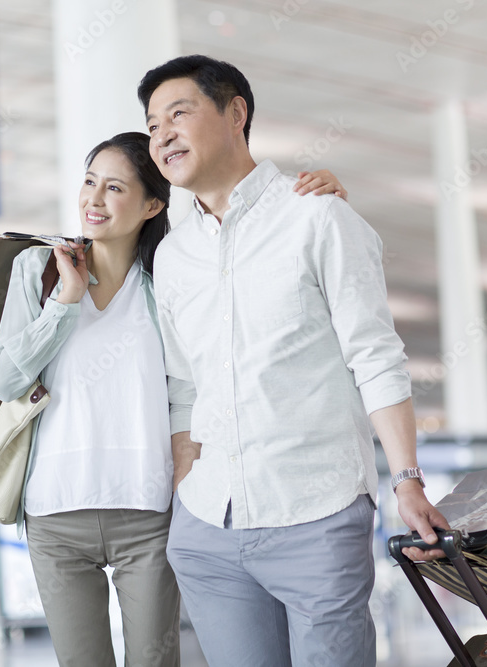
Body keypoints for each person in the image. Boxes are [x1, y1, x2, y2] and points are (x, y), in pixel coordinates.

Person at [0, 131, 349, 666]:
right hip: (54, 514)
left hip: (148, 511)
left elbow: (202, 374)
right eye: (89, 182)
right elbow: (4, 380)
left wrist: (323, 198)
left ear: (153, 203)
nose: (93, 199)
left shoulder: (171, 276)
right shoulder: (36, 271)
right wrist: (64, 301)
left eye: (114, 188)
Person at [139, 55, 450, 667]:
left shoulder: (319, 216)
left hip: (316, 511)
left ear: (236, 114)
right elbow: (183, 386)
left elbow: (376, 356)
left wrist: (406, 480)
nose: (163, 135)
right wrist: (184, 489)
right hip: (206, 526)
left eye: (179, 114)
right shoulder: (173, 259)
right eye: (152, 126)